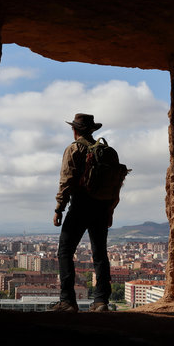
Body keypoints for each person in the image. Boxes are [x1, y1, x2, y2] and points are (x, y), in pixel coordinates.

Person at [49, 113, 118, 313]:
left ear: (75, 130)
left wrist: (59, 209)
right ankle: (101, 301)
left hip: (80, 206)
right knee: (100, 254)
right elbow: (116, 184)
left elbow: (66, 181)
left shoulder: (74, 148)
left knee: (64, 251)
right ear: (92, 130)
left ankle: (68, 301)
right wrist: (110, 209)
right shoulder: (107, 151)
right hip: (102, 207)